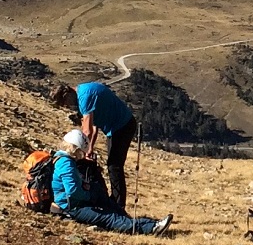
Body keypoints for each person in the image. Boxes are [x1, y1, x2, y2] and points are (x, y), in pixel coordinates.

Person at [52, 130, 170, 235]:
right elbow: (73, 191)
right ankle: (151, 228)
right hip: (72, 206)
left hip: (75, 201)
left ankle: (147, 223)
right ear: (75, 149)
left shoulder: (64, 160)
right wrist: (88, 196)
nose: (80, 156)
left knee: (105, 201)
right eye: (80, 153)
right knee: (109, 218)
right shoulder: (66, 164)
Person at [51, 80, 138, 211]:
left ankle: (118, 206)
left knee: (114, 166)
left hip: (123, 126)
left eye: (65, 103)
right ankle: (113, 201)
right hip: (114, 128)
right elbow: (94, 126)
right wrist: (89, 149)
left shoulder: (85, 97)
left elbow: (87, 131)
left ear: (67, 94)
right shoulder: (83, 95)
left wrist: (78, 152)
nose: (67, 106)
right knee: (113, 165)